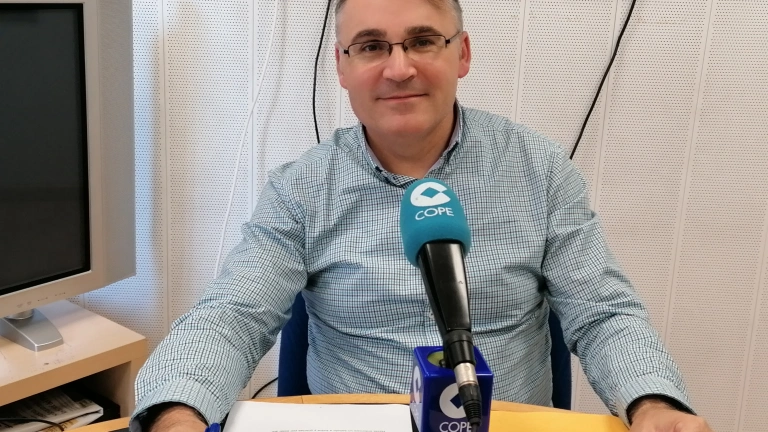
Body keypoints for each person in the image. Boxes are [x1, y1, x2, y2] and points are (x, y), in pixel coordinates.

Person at [131, 0, 715, 431]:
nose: (399, 68)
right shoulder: (302, 188)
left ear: (462, 53)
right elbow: (232, 315)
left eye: (422, 41)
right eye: (371, 46)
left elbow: (604, 313)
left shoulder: (539, 171)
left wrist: (653, 402)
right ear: (342, 67)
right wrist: (176, 412)